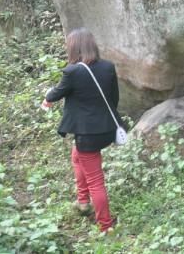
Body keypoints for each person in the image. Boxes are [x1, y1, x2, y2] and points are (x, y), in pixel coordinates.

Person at [44, 27, 122, 234]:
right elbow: (114, 99)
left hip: (87, 136)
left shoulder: (72, 71)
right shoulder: (108, 66)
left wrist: (47, 94)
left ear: (74, 48)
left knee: (96, 180)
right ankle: (82, 200)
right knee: (76, 156)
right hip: (107, 130)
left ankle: (105, 226)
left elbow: (55, 95)